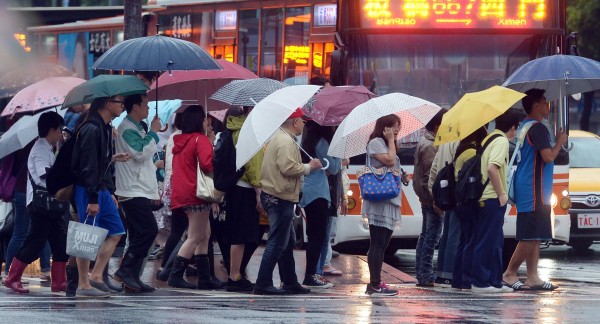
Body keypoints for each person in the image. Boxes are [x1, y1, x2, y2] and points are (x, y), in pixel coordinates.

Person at [502, 89, 567, 291]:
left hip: (527, 186)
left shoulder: (525, 126)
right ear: (535, 105)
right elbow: (548, 157)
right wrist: (560, 143)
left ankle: (533, 276)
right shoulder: (538, 129)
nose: (547, 104)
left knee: (535, 234)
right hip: (534, 188)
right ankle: (510, 273)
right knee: (530, 234)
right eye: (544, 101)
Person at [253, 108, 322, 295]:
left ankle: (289, 281)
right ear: (294, 122)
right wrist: (310, 167)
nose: (304, 124)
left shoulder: (283, 139)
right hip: (279, 197)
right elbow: (288, 168)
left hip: (278, 196)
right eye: (302, 121)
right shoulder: (284, 141)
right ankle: (263, 282)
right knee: (277, 241)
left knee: (287, 240)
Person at [72, 96, 131, 298]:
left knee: (116, 231)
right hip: (89, 189)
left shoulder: (105, 127)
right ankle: (83, 284)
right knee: (86, 236)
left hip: (101, 188)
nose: (122, 106)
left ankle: (96, 275)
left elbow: (99, 162)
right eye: (119, 102)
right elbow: (88, 166)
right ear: (108, 104)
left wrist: (109, 189)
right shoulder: (91, 128)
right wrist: (93, 198)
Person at [4, 112, 68, 294]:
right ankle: (12, 277)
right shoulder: (40, 148)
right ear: (52, 130)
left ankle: (59, 281)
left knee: (59, 240)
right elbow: (43, 175)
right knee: (35, 241)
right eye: (59, 129)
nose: (61, 133)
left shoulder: (47, 147)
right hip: (40, 204)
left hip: (49, 204)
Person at [112, 94, 162, 293]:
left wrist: (152, 131)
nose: (148, 108)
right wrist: (155, 133)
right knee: (148, 230)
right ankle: (125, 271)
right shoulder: (126, 128)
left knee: (139, 234)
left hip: (139, 188)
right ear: (134, 107)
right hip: (131, 189)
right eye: (145, 105)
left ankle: (132, 277)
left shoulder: (139, 127)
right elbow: (140, 152)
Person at [168, 105, 221, 290]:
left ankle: (205, 277)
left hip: (182, 192)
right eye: (207, 120)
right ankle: (175, 275)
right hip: (196, 193)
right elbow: (208, 165)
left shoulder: (181, 141)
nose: (209, 123)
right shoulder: (201, 140)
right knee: (195, 236)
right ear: (200, 121)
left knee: (204, 235)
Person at [471, 110, 519, 294]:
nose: (516, 132)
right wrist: (501, 194)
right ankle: (481, 283)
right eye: (516, 128)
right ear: (513, 127)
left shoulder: (490, 138)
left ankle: (494, 281)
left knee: (494, 241)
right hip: (491, 198)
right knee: (487, 241)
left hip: (486, 198)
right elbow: (492, 168)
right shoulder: (501, 141)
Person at [363, 114, 408, 296]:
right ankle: (374, 283)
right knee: (378, 243)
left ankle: (377, 282)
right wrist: (391, 141)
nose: (397, 129)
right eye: (394, 126)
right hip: (379, 200)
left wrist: (402, 175)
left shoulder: (388, 144)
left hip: (389, 198)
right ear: (384, 127)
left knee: (383, 243)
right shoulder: (376, 143)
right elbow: (389, 161)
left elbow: (392, 166)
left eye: (398, 126)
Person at [225, 106, 264, 292]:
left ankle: (235, 273)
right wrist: (258, 191)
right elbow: (253, 164)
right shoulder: (248, 131)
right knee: (243, 236)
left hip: (234, 187)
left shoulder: (233, 129)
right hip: (246, 188)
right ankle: (234, 276)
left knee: (239, 235)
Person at [300, 121, 341, 289]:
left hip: (311, 192)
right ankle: (311, 275)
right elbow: (334, 167)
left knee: (315, 236)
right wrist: (338, 151)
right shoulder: (322, 144)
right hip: (318, 193)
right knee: (318, 236)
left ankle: (313, 274)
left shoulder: (308, 142)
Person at [3, 142, 51, 281]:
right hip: (30, 191)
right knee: (30, 231)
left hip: (21, 190)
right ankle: (44, 268)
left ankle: (9, 269)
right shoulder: (38, 146)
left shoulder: (19, 144)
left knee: (30, 230)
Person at [450, 127, 488, 291]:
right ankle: (466, 280)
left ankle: (458, 279)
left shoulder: (461, 149)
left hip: (459, 201)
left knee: (464, 240)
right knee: (471, 240)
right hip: (468, 200)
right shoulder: (472, 152)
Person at [414, 110, 444, 287]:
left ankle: (422, 272)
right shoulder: (431, 145)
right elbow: (429, 176)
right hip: (430, 198)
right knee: (431, 237)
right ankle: (425, 274)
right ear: (437, 126)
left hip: (424, 197)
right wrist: (435, 199)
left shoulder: (425, 140)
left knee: (425, 235)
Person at [428, 140, 459, 287]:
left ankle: (441, 273)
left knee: (447, 234)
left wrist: (434, 195)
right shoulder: (461, 140)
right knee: (455, 234)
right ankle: (449, 274)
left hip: (445, 191)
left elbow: (434, 168)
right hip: (457, 191)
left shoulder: (446, 141)